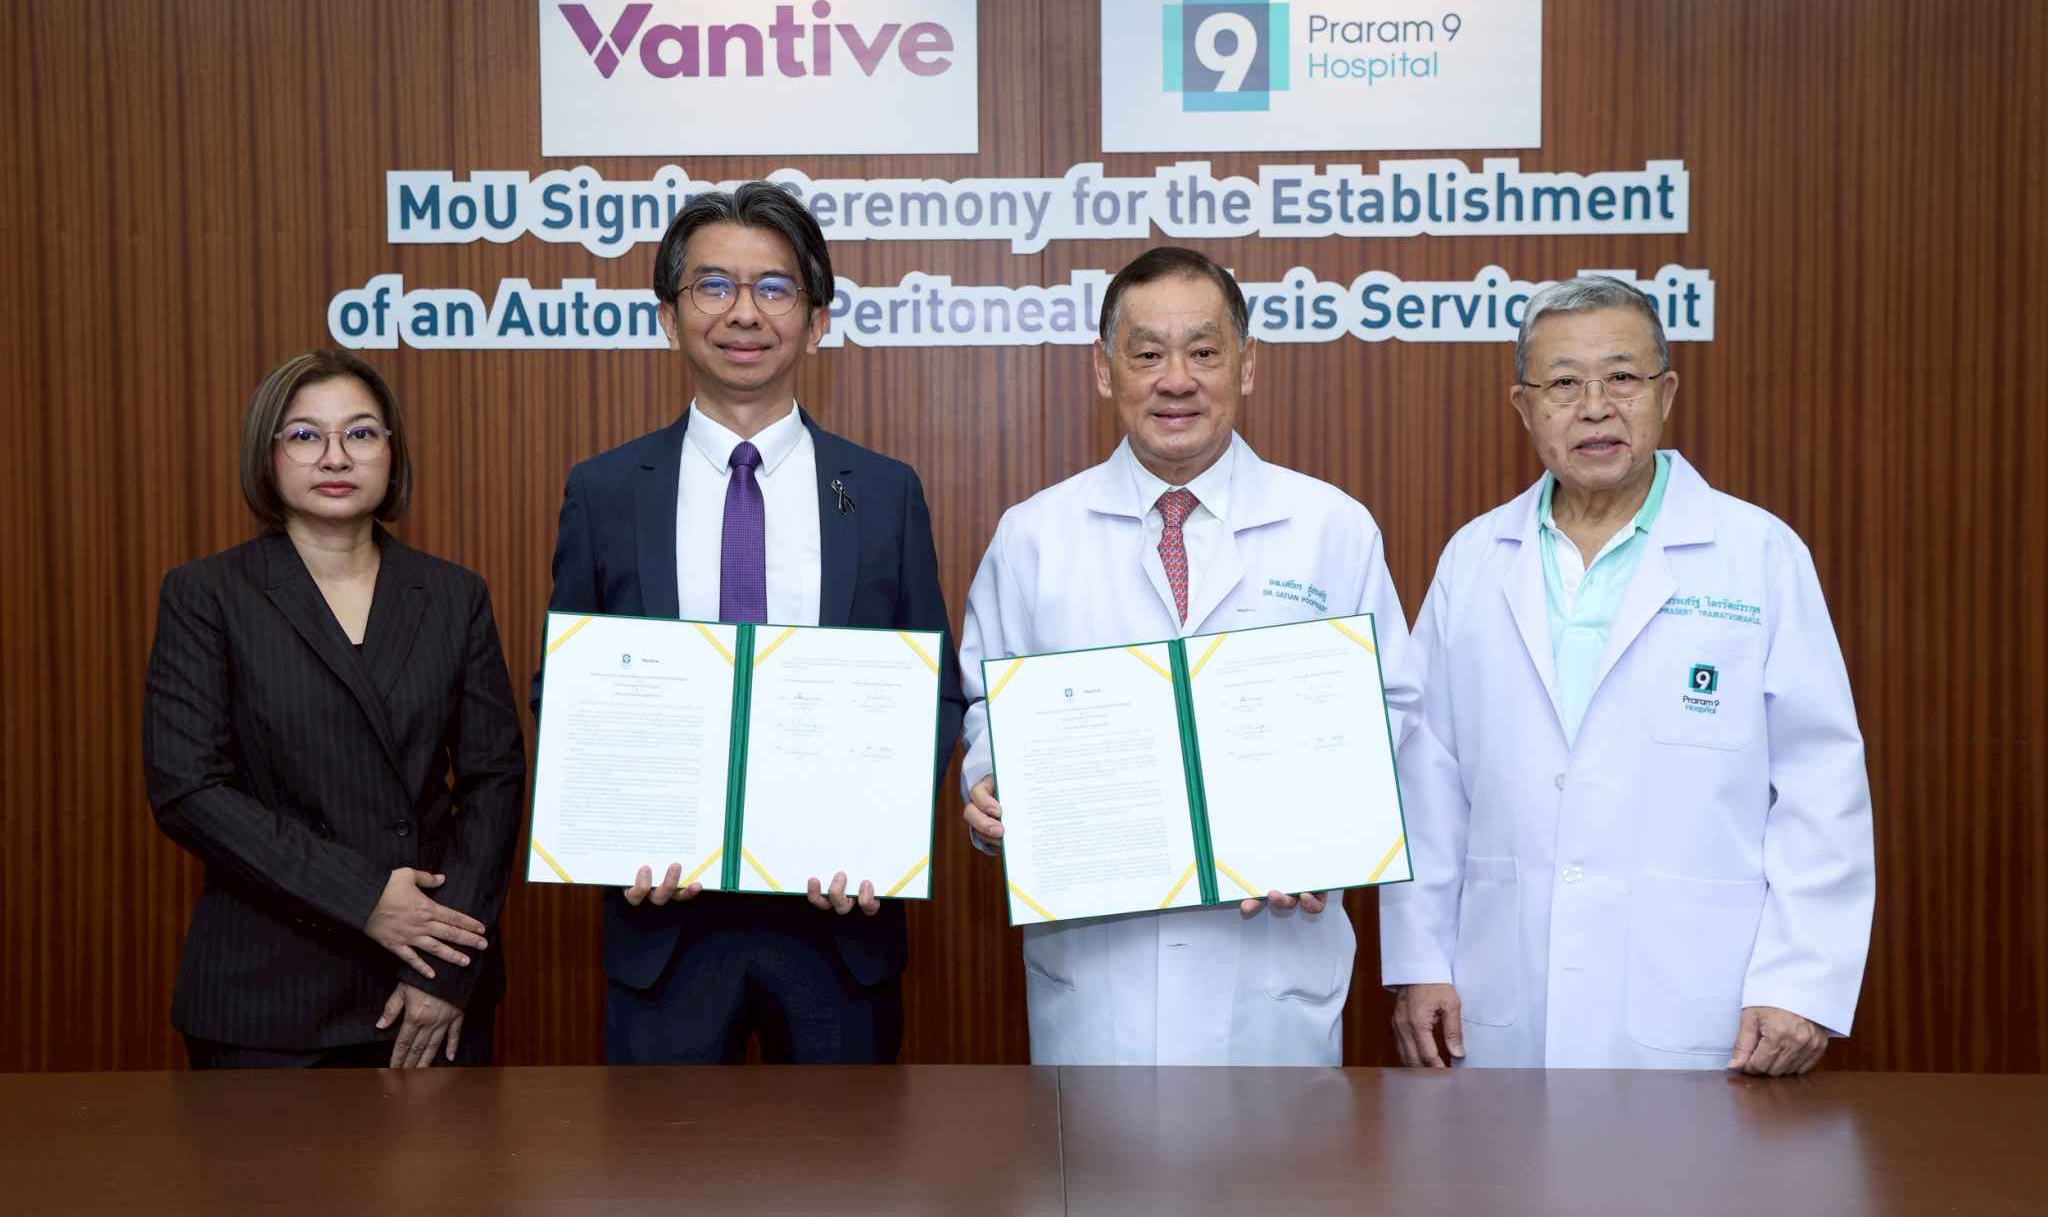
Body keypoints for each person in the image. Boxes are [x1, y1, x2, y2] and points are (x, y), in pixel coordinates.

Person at [1380, 275, 1875, 1073]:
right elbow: (1426, 778)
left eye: (1621, 377)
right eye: (1563, 384)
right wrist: (1421, 958)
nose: (1595, 407)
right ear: (1523, 406)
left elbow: (1821, 781)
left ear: (1665, 393)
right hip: (1503, 993)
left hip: (1704, 998)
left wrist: (1802, 979)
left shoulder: (1758, 554)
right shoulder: (1474, 559)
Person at [957, 245, 1426, 1065]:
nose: (1177, 380)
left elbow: (1393, 712)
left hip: (1273, 963)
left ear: (1247, 365)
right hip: (1097, 976)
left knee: (1274, 1152)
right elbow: (990, 707)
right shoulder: (1033, 536)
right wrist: (992, 788)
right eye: (1147, 354)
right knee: (1097, 1152)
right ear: (1104, 370)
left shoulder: (1331, 527)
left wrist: (1327, 825)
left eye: (1204, 351)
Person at [539, 180, 965, 1065]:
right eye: (713, 285)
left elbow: (934, 693)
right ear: (669, 317)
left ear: (816, 321)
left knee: (849, 1150)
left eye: (774, 288)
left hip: (839, 922)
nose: (744, 312)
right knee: (663, 1155)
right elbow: (568, 691)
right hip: (665, 924)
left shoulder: (885, 493)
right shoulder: (605, 491)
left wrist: (877, 840)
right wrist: (618, 835)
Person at [144, 349, 527, 1069]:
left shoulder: (454, 595)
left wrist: (446, 967)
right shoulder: (208, 594)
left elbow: (494, 783)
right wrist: (365, 897)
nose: (334, 456)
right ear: (268, 456)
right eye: (304, 435)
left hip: (429, 979)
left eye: (360, 432)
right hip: (266, 991)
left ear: (391, 452)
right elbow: (187, 789)